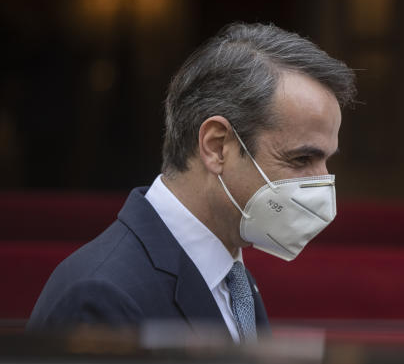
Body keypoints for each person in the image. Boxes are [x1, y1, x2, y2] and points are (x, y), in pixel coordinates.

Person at [28, 23, 355, 343]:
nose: (322, 184)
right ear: (216, 146)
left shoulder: (232, 278)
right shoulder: (100, 298)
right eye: (301, 159)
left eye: (327, 160)